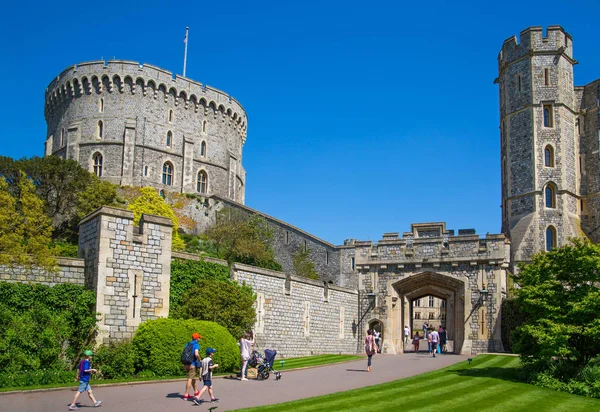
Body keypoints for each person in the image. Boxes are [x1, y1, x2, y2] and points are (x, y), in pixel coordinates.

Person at [183, 332, 202, 400]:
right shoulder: (196, 345)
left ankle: (196, 391)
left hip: (186, 364)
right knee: (190, 378)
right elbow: (196, 354)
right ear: (197, 338)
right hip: (192, 364)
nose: (200, 338)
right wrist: (200, 359)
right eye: (199, 337)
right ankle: (186, 394)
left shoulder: (187, 344)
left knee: (193, 377)